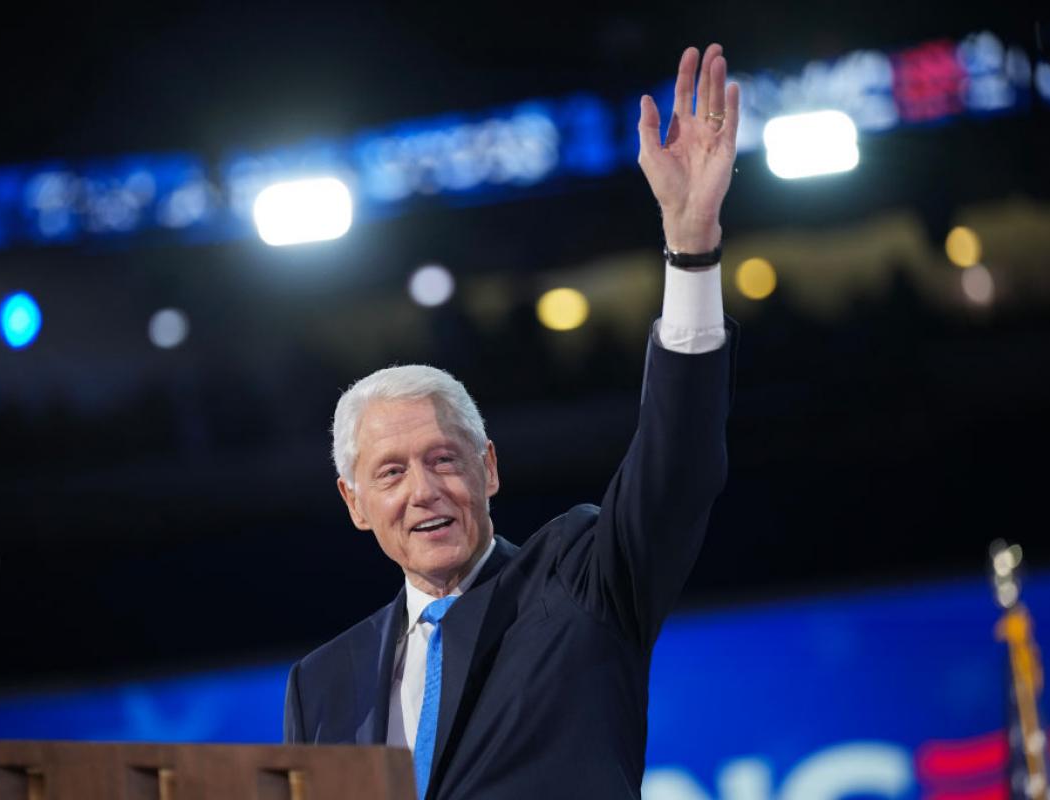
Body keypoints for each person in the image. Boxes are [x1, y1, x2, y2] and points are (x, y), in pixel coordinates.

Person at [284, 44, 741, 800]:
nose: (424, 489)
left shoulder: (583, 583)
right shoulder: (319, 683)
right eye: (391, 472)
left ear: (488, 468)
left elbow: (679, 465)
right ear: (354, 503)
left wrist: (691, 250)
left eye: (444, 459)